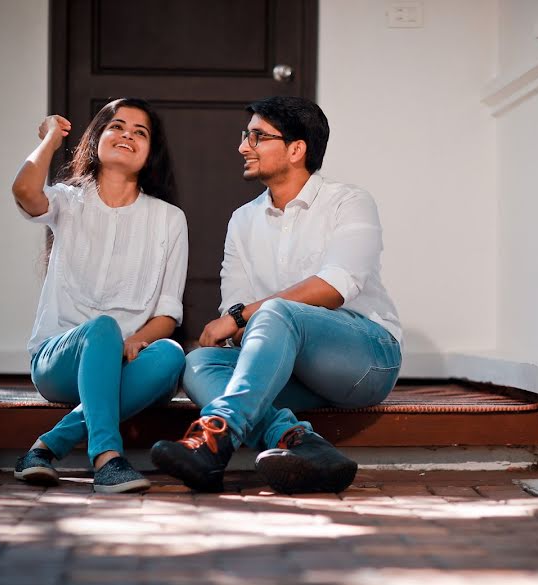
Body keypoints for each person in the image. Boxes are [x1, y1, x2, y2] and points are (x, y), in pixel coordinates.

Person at [151, 96, 402, 494]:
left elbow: (335, 287)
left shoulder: (348, 201)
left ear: (296, 149)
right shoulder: (243, 219)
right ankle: (301, 444)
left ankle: (215, 437)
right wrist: (241, 319)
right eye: (245, 135)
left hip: (366, 360)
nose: (242, 146)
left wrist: (244, 316)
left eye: (257, 136)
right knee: (199, 362)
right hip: (289, 367)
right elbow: (234, 315)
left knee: (276, 312)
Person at [11, 98, 188, 493]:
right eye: (117, 126)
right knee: (101, 329)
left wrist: (139, 340)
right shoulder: (67, 201)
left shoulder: (169, 219)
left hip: (125, 364)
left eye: (140, 133)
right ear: (96, 140)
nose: (127, 135)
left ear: (150, 152)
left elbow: (167, 314)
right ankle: (107, 458)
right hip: (58, 365)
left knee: (172, 354)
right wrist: (51, 139)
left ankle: (45, 447)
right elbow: (23, 188)